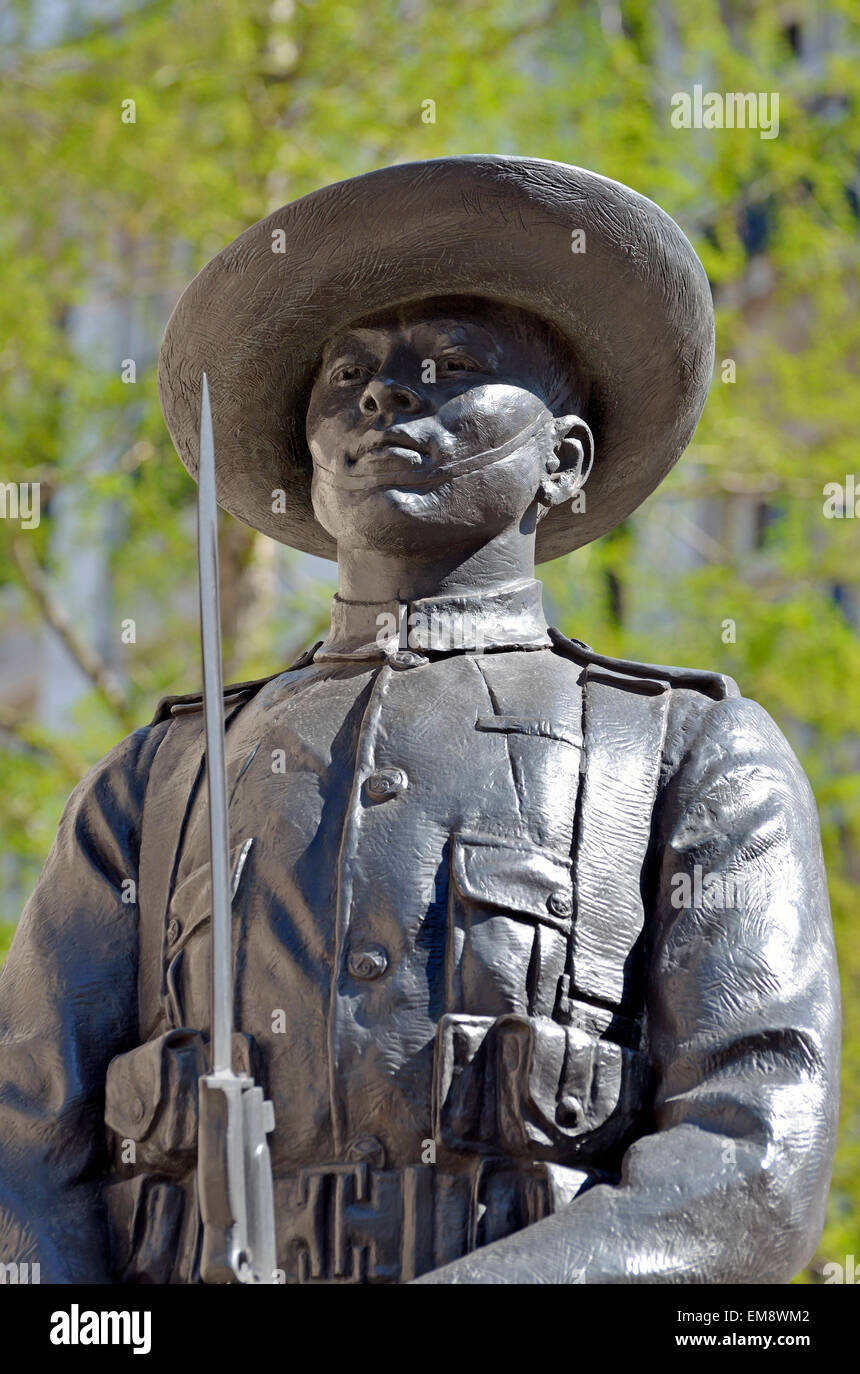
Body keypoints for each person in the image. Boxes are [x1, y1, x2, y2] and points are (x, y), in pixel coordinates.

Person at [0, 156, 839, 1284]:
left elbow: (748, 1164)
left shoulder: (690, 757)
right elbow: (22, 1159)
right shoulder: (156, 781)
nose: (383, 394)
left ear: (564, 458)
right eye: (348, 372)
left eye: (452, 365)